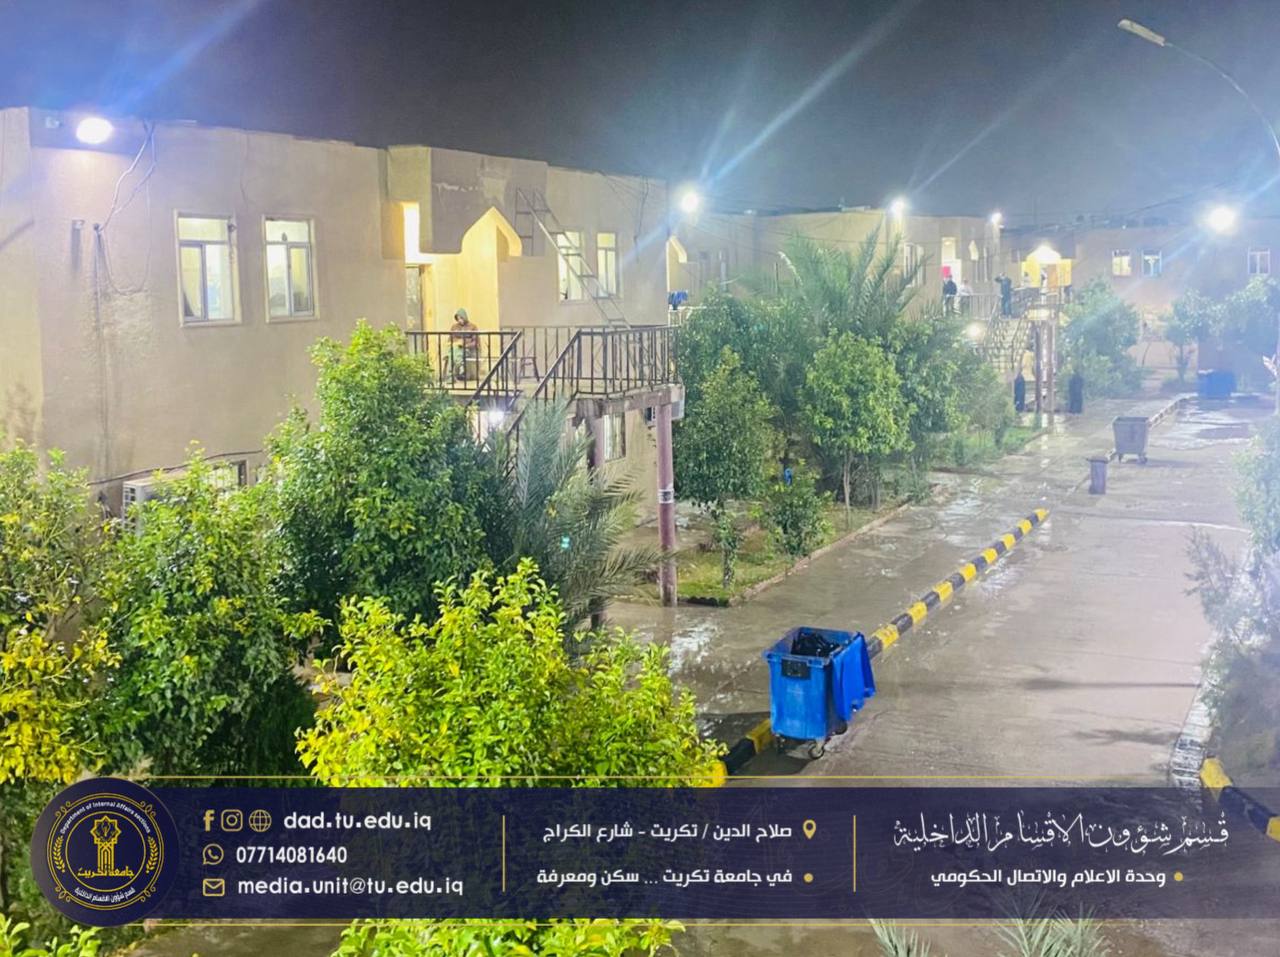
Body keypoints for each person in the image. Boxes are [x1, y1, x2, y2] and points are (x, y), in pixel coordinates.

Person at [449, 308, 479, 381]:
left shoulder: (472, 326)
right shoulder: (454, 327)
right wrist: (458, 342)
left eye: (461, 318)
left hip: (467, 349)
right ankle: (457, 371)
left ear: (465, 317)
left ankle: (452, 374)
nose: (460, 320)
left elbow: (475, 342)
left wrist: (466, 345)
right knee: (453, 353)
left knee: (455, 354)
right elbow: (451, 339)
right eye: (458, 319)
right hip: (455, 347)